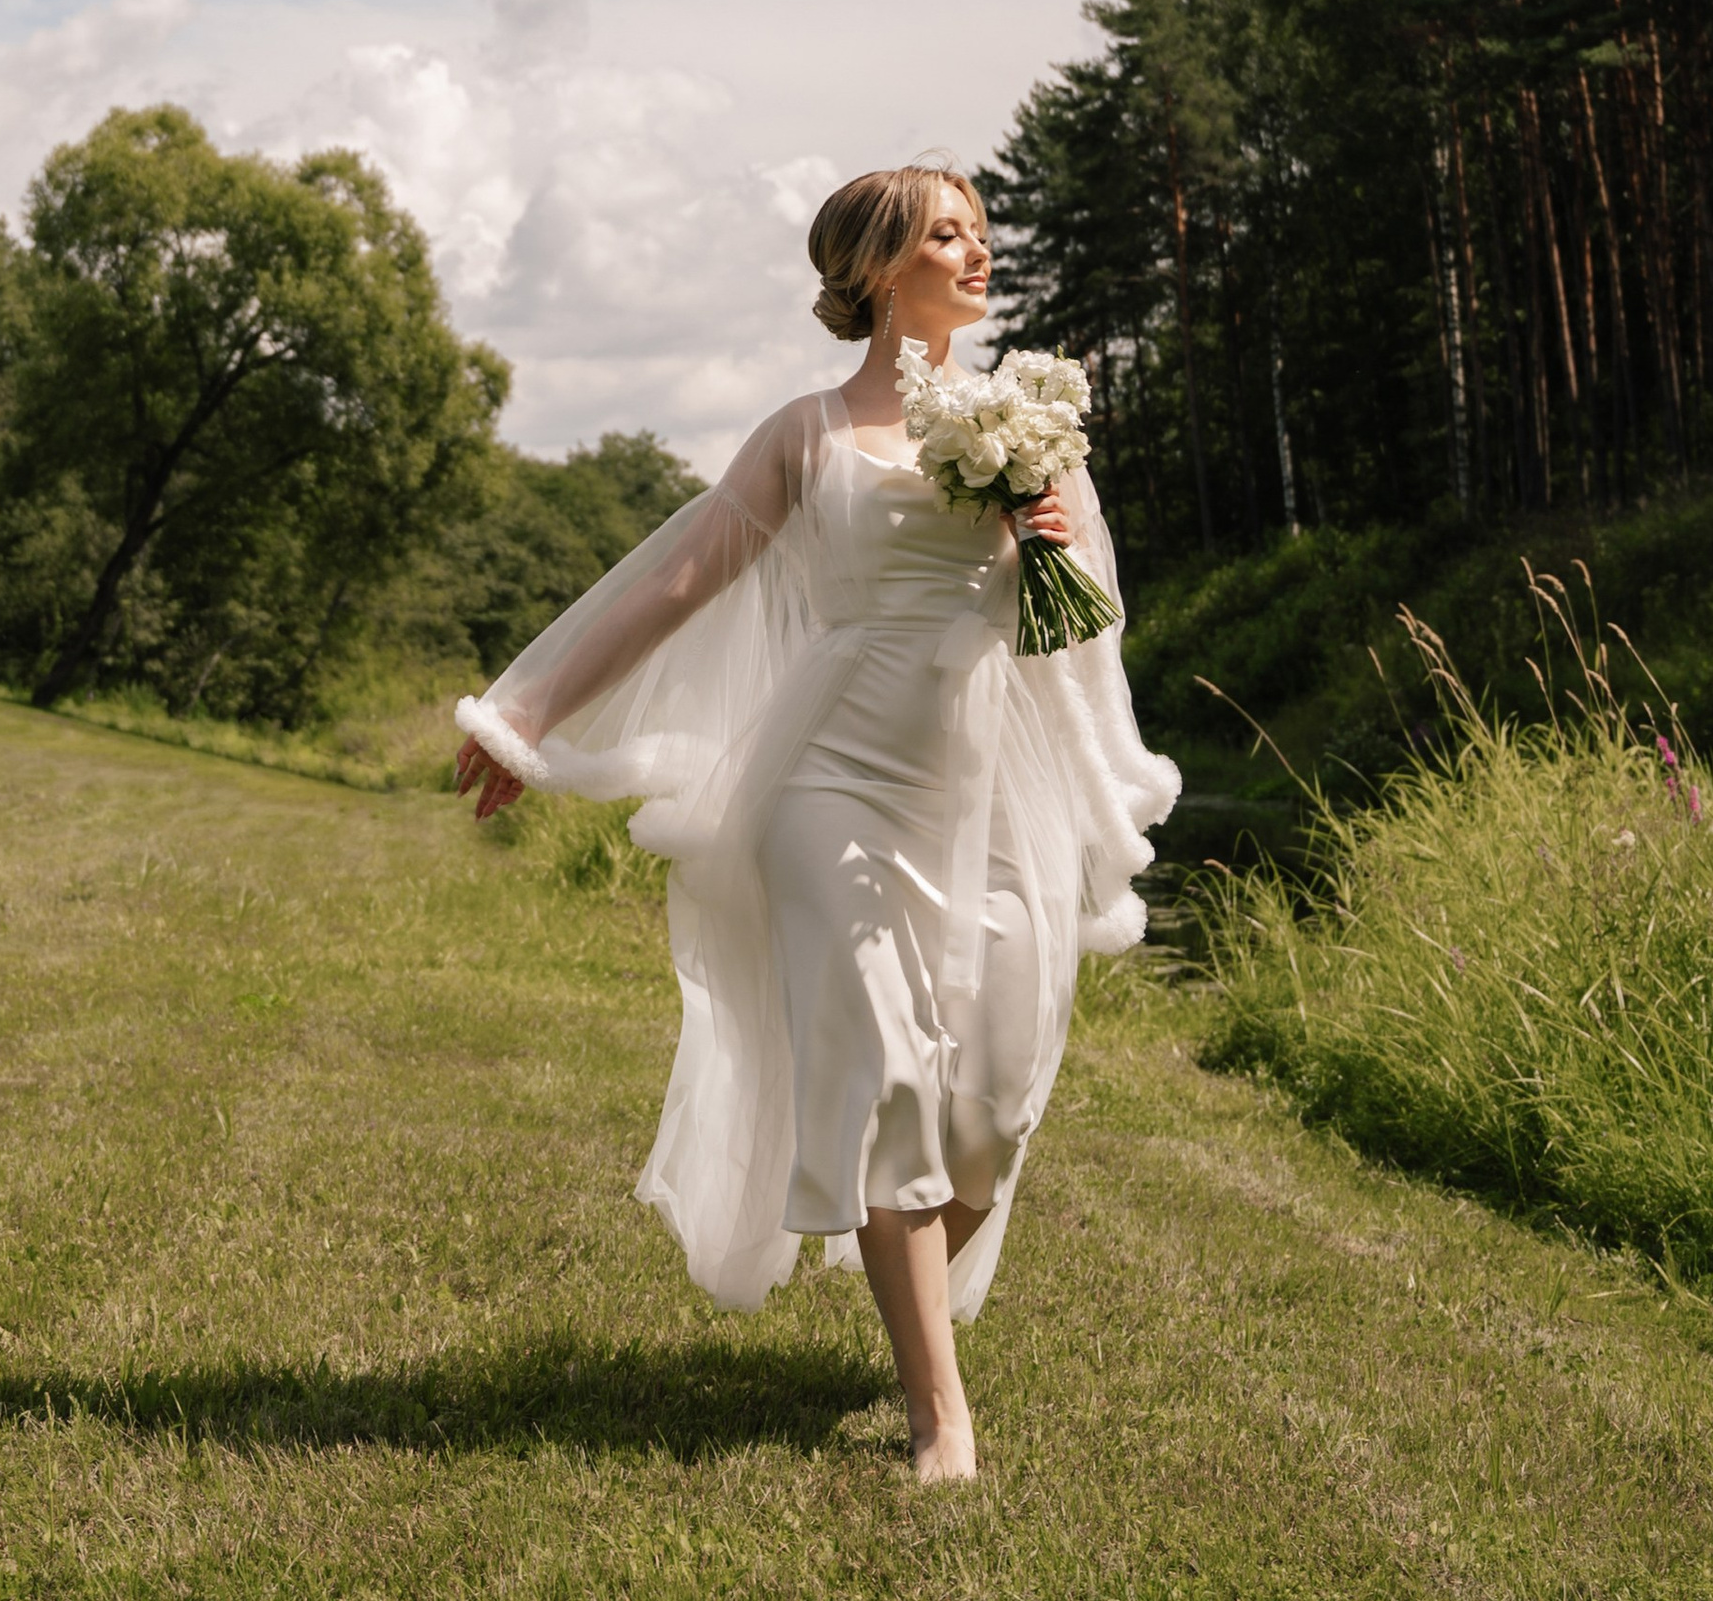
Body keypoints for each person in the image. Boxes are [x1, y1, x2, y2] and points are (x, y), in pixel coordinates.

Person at [454, 160, 1178, 1484]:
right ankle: (939, 1418)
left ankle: (902, 1266)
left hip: (993, 782)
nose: (979, 252)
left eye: (982, 231)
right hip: (831, 782)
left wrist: (1052, 543)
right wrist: (530, 714)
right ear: (875, 267)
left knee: (997, 1108)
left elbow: (1082, 629)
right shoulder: (806, 437)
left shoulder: (1028, 426)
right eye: (948, 234)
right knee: (889, 1080)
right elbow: (676, 583)